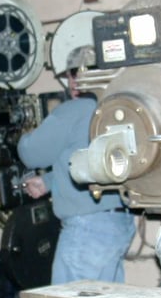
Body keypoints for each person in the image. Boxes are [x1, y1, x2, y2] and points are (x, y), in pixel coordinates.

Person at [17, 46, 135, 284]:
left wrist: (23, 130)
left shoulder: (73, 110)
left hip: (86, 230)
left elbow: (31, 153)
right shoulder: (118, 109)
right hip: (118, 223)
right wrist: (49, 181)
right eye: (71, 73)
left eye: (77, 72)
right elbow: (90, 159)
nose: (73, 79)